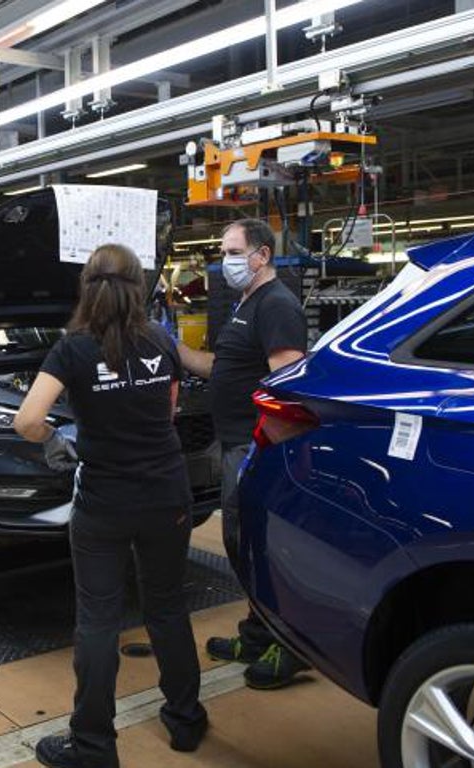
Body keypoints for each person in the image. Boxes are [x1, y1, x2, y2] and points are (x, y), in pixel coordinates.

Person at [15, 244, 207, 768]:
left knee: (98, 621)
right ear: (138, 287)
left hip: (104, 503)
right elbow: (168, 409)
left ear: (87, 287)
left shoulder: (73, 348)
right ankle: (186, 719)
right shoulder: (160, 338)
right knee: (167, 606)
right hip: (167, 494)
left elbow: (27, 420)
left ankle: (94, 746)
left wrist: (56, 437)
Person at [177, 218, 310, 690]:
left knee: (265, 548)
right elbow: (220, 365)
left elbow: (288, 384)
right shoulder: (246, 303)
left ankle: (291, 646)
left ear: (261, 256)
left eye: (233, 252)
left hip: (257, 447)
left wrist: (263, 450)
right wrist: (171, 347)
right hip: (234, 442)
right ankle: (257, 634)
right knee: (244, 543)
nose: (225, 262)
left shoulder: (276, 306)